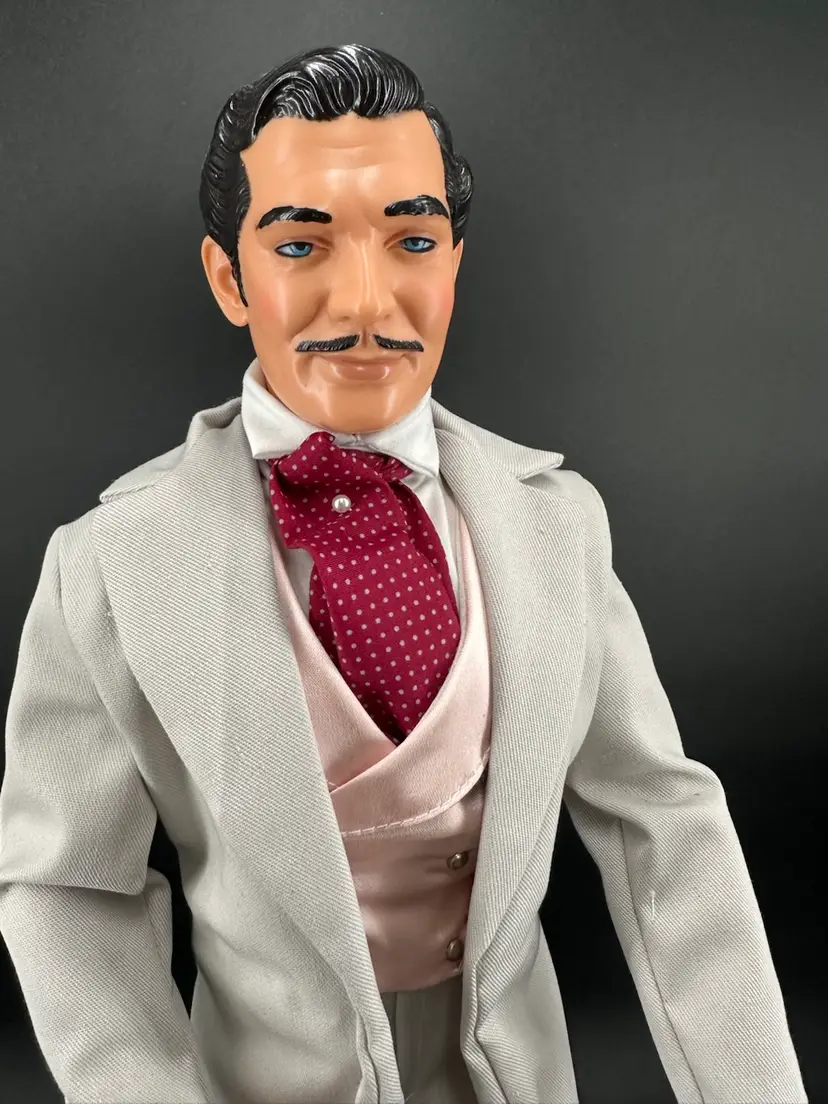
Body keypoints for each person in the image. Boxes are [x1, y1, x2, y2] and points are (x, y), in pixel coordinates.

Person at [0, 43, 808, 1104]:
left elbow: (666, 829)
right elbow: (68, 887)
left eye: (412, 240)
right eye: (301, 245)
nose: (366, 301)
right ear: (229, 278)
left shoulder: (557, 526)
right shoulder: (110, 566)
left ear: (453, 267)